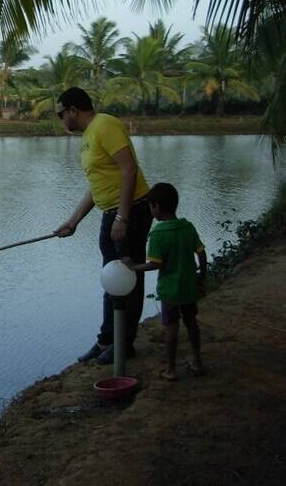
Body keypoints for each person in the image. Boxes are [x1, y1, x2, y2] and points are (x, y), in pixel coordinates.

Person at [53, 87, 153, 365]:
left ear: (74, 109)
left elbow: (129, 168)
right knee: (112, 278)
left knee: (127, 278)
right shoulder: (89, 137)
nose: (61, 120)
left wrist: (122, 216)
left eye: (61, 114)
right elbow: (97, 187)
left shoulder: (105, 124)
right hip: (111, 214)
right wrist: (73, 221)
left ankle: (124, 343)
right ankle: (106, 340)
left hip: (130, 212)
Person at [122, 183, 207, 381]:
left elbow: (154, 264)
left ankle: (170, 369)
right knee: (191, 323)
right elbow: (201, 252)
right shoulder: (187, 226)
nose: (151, 211)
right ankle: (197, 362)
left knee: (171, 327)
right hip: (189, 287)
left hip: (170, 291)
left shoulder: (158, 234)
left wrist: (133, 267)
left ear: (157, 207)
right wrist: (202, 276)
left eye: (151, 207)